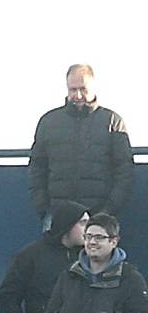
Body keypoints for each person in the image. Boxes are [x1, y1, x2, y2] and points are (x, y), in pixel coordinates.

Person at [28, 62, 133, 224]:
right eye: (73, 89)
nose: (77, 95)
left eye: (83, 89)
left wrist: (108, 210)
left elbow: (124, 171)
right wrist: (43, 207)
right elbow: (37, 167)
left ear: (93, 88)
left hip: (99, 215)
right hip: (57, 215)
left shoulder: (112, 121)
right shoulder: (48, 122)